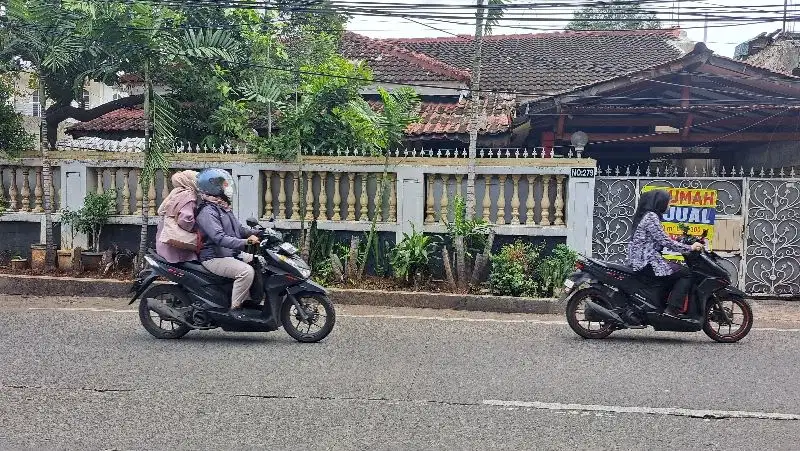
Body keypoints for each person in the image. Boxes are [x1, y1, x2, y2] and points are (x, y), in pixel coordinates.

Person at [195, 168, 261, 317]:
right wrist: (246, 243)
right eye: (225, 185)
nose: (228, 188)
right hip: (213, 257)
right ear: (213, 188)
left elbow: (239, 230)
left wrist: (260, 233)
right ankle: (235, 309)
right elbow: (219, 238)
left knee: (259, 261)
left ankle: (249, 300)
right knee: (246, 272)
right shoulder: (207, 212)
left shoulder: (222, 207)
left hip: (228, 253)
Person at [628, 189, 704, 318]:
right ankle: (672, 309)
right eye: (668, 202)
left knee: (675, 270)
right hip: (647, 261)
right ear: (660, 202)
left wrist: (682, 240)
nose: (669, 206)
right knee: (686, 273)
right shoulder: (651, 217)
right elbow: (664, 241)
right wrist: (690, 248)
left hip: (645, 258)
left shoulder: (649, 215)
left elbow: (660, 238)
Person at [155, 170, 199, 263]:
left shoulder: (176, 191)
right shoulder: (189, 196)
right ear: (190, 181)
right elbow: (185, 219)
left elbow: (161, 210)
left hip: (164, 238)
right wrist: (196, 227)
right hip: (176, 245)